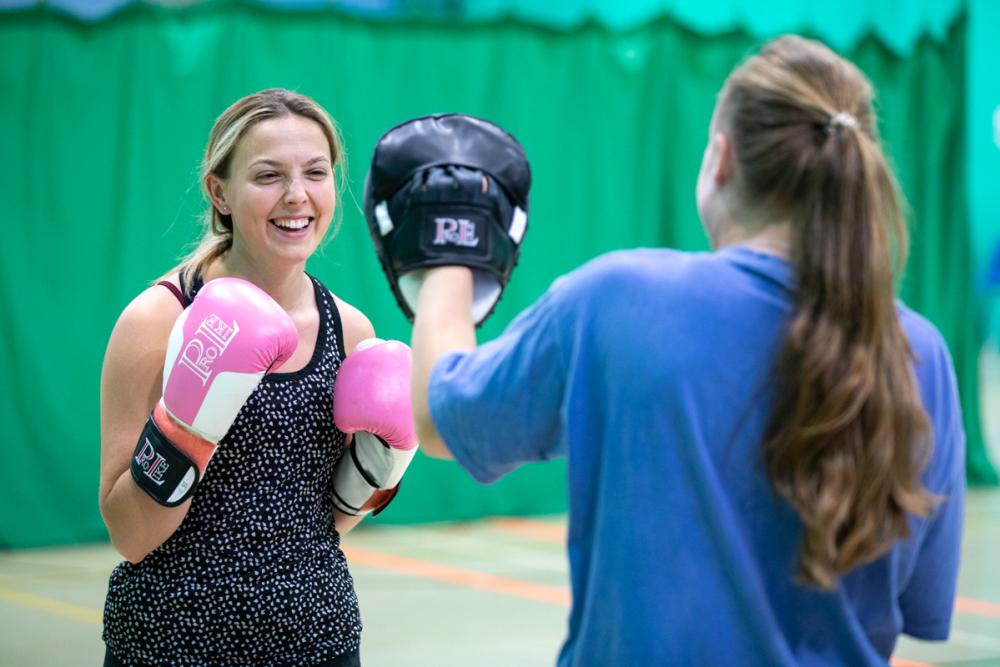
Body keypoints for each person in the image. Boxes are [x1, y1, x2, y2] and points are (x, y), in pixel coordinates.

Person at [409, 35, 965, 665]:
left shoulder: (615, 300)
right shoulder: (922, 350)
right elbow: (918, 604)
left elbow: (439, 418)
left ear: (721, 160)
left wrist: (448, 246)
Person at [99, 88, 417, 666]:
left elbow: (327, 525)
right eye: (268, 175)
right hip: (171, 646)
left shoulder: (349, 330)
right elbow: (129, 534)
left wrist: (381, 465)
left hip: (318, 640)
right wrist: (187, 425)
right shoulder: (159, 320)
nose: (296, 196)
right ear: (219, 191)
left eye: (315, 173)